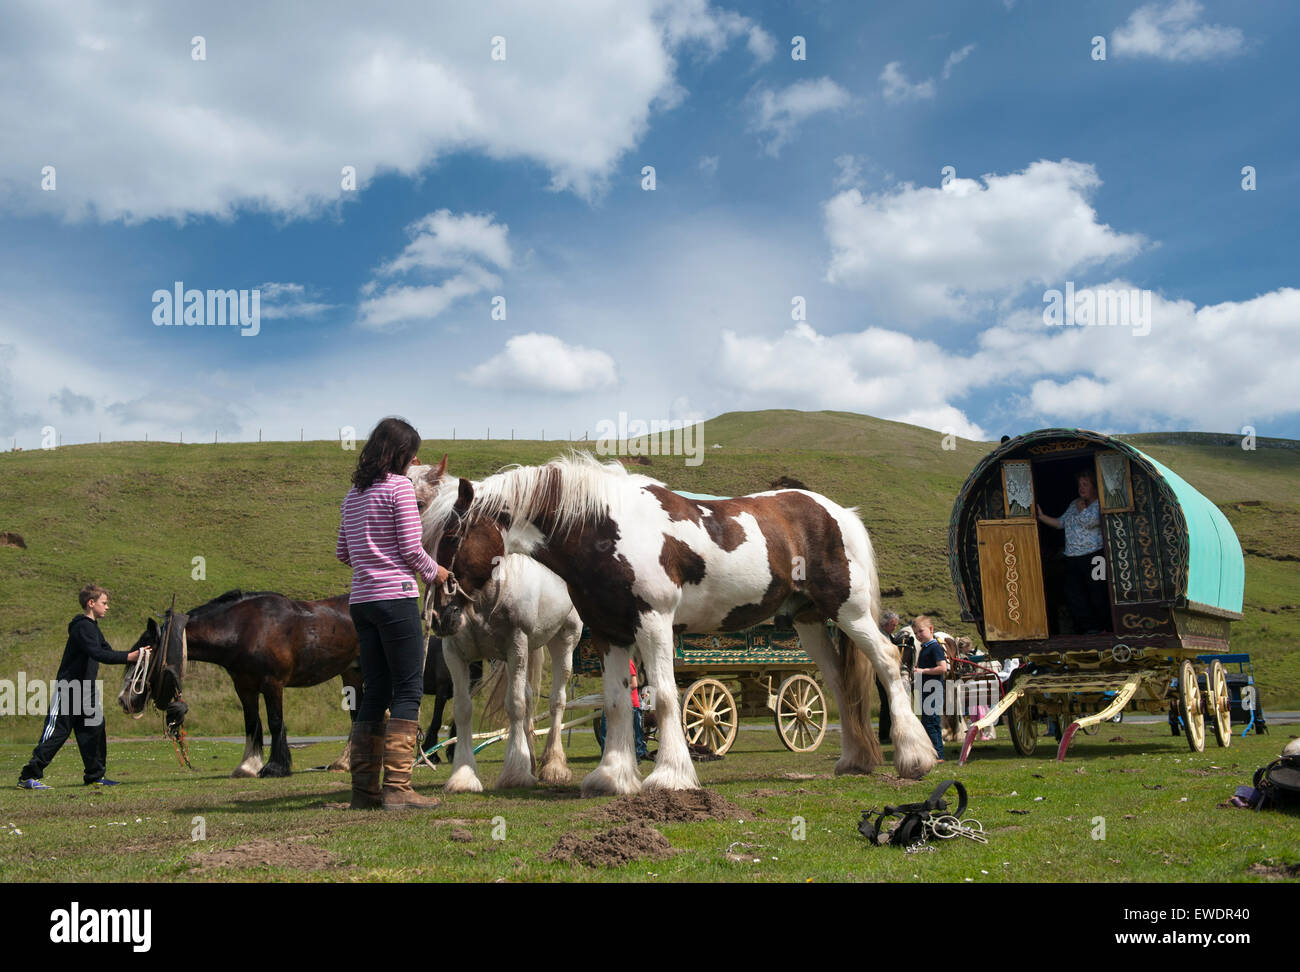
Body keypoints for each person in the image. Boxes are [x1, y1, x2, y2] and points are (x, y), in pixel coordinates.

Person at [337, 416, 450, 811]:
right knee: (408, 689)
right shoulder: (400, 488)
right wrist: (437, 573)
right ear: (399, 452)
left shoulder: (352, 495)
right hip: (395, 597)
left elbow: (343, 553)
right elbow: (410, 549)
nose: (416, 458)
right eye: (412, 451)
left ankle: (364, 792)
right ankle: (399, 789)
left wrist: (371, 557)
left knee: (375, 690)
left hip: (361, 602)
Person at [18, 585, 140, 789]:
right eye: (104, 603)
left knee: (94, 730)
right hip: (70, 688)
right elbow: (98, 654)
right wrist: (129, 656)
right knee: (58, 731)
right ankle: (28, 776)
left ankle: (95, 776)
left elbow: (107, 651)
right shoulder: (82, 627)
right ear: (91, 603)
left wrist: (138, 655)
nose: (107, 607)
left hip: (87, 691)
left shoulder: (94, 628)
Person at [1036, 469, 1109, 634]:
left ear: (1095, 487)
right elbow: (1061, 523)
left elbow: (1092, 522)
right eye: (1079, 485)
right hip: (1072, 557)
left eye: (1085, 485)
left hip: (1095, 556)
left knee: (1098, 591)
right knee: (1074, 594)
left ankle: (1106, 626)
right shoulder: (1074, 503)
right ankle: (1090, 628)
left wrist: (1083, 509)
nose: (1081, 488)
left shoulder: (1101, 503)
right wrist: (1041, 517)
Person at [912, 615, 948, 761]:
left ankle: (938, 754)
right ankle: (931, 752)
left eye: (921, 631)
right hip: (925, 689)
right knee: (926, 722)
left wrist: (923, 671)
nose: (918, 635)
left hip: (934, 689)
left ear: (931, 629)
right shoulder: (925, 648)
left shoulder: (935, 647)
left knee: (932, 722)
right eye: (916, 633)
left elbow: (943, 668)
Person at [875, 610, 910, 744]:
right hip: (881, 674)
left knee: (890, 703)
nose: (895, 627)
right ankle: (884, 734)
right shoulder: (881, 636)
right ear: (886, 624)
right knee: (886, 703)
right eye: (893, 625)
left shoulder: (890, 636)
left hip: (888, 673)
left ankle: (889, 732)